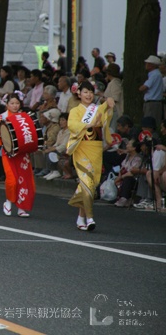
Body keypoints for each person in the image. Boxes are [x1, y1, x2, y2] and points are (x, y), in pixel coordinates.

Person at [0, 91, 37, 217]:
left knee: (25, 182)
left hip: (22, 154)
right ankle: (8, 201)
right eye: (12, 103)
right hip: (8, 153)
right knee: (12, 180)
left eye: (17, 103)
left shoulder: (24, 117)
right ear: (7, 104)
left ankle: (22, 208)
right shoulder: (1, 118)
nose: (15, 106)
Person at [66, 80, 114, 231]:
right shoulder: (75, 111)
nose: (88, 95)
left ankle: (81, 216)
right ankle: (90, 218)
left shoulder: (97, 108)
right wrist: (88, 125)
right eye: (85, 92)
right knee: (87, 182)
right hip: (82, 149)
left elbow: (105, 120)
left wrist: (109, 106)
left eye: (91, 92)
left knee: (89, 186)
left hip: (96, 149)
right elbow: (72, 125)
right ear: (79, 93)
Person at [114, 140, 143, 207]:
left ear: (134, 148)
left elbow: (132, 173)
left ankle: (124, 198)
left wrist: (121, 178)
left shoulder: (138, 158)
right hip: (124, 176)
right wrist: (119, 176)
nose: (127, 146)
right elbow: (122, 168)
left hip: (134, 179)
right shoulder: (127, 156)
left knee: (128, 179)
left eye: (129, 144)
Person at [139, 55, 164, 127]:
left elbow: (144, 87)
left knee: (149, 123)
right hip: (155, 103)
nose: (146, 65)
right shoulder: (157, 74)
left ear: (151, 65)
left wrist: (141, 88)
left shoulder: (154, 75)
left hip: (152, 103)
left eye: (147, 63)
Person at [102, 63, 123, 129]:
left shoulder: (115, 83)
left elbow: (115, 98)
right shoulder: (113, 83)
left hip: (114, 113)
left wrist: (103, 99)